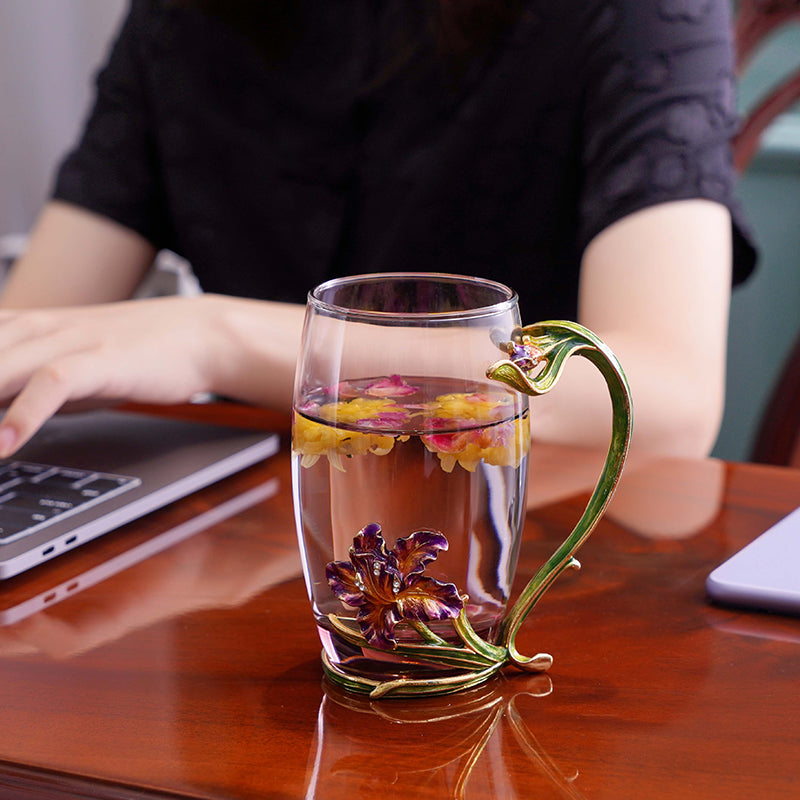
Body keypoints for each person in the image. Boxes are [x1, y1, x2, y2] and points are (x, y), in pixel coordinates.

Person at [0, 0, 755, 460]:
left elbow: (667, 400)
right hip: (249, 546)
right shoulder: (181, 17)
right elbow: (34, 331)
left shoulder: (638, 15)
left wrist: (213, 337)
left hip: (522, 566)